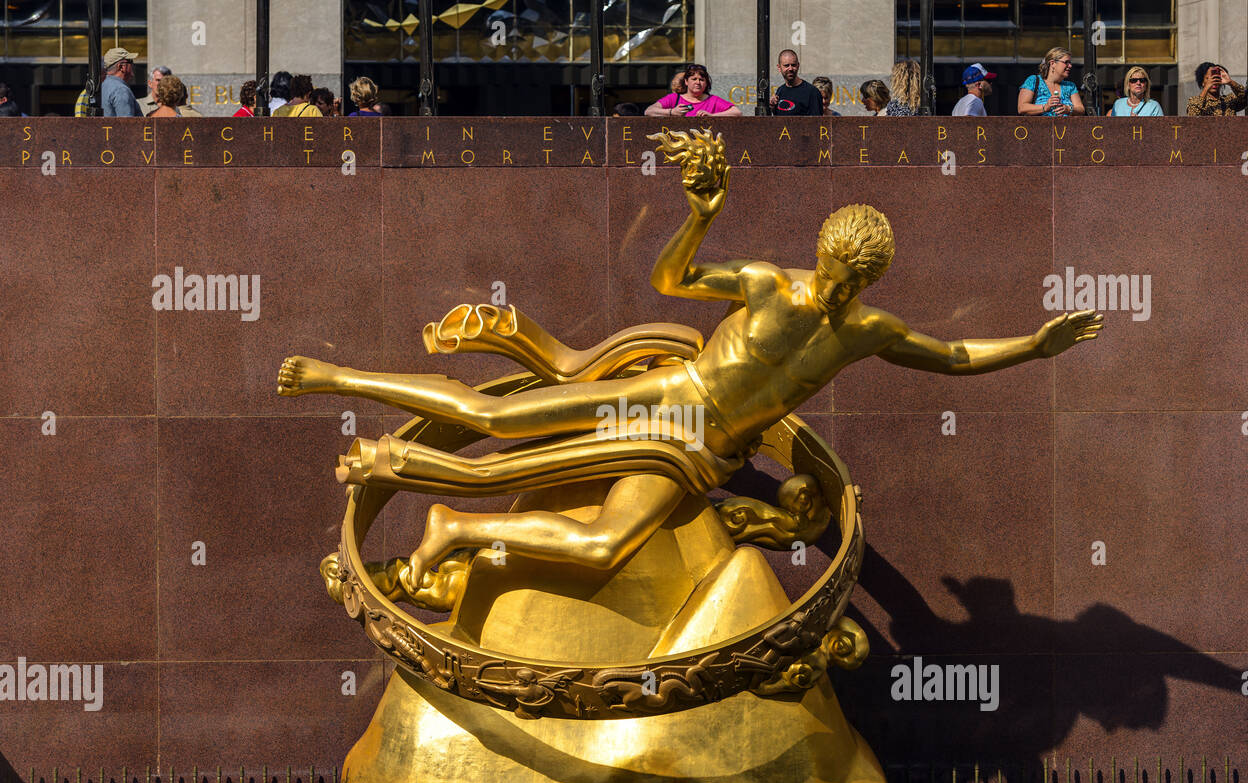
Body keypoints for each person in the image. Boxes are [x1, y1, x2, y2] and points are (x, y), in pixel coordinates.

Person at [276, 129, 1101, 579]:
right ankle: (337, 377)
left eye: (860, 281)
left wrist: (1034, 344)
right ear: (823, 255)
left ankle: (449, 522)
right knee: (496, 418)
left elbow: (952, 354)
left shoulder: (867, 331)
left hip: (704, 457)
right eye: (839, 274)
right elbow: (669, 276)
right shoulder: (769, 284)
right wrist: (702, 213)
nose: (843, 290)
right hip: (663, 397)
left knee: (602, 544)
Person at [644, 63, 740, 117]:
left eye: (701, 80)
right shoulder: (674, 98)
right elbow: (649, 111)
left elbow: (737, 112)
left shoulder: (713, 100)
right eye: (694, 79)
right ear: (686, 81)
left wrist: (711, 116)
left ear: (706, 83)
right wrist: (672, 112)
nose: (698, 82)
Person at [1018, 46, 1084, 116]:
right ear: (1052, 63)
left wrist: (1068, 109)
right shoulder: (1033, 81)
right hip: (1039, 126)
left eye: (1070, 63)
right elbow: (1022, 108)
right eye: (1066, 62)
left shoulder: (1070, 86)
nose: (1070, 66)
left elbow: (1081, 109)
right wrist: (1045, 107)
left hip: (1066, 126)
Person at [769, 49, 822, 115]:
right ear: (779, 67)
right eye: (786, 65)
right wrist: (772, 108)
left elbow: (817, 122)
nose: (790, 69)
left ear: (798, 65)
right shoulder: (780, 91)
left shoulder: (812, 92)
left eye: (793, 65)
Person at [100, 47, 142, 117]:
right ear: (121, 67)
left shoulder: (102, 85)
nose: (133, 65)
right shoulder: (121, 90)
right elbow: (127, 124)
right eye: (130, 61)